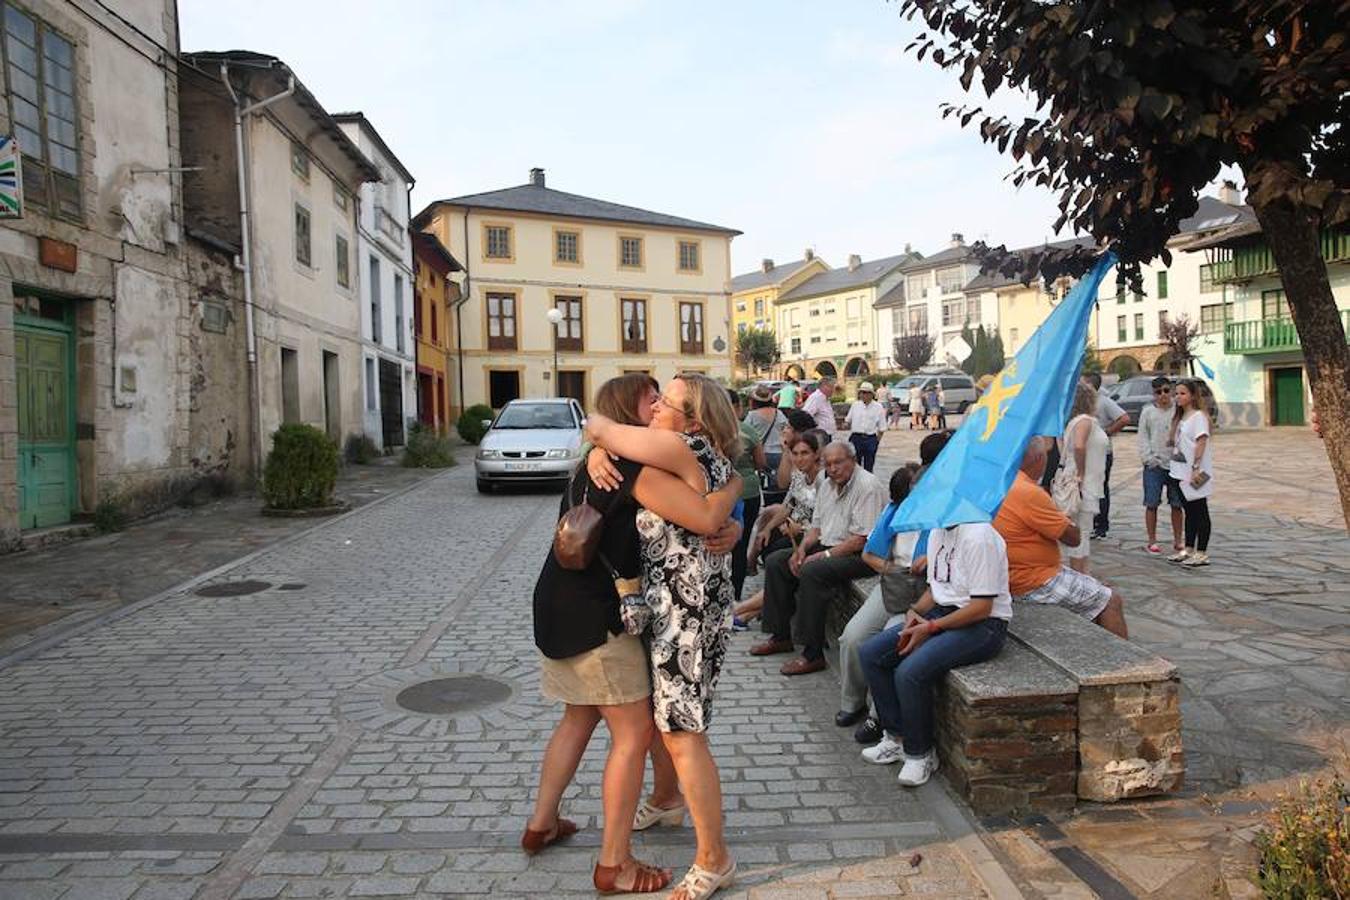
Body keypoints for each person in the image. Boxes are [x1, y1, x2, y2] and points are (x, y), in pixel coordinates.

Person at [528, 374, 742, 895]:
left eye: (665, 400)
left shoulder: (629, 459)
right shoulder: (640, 461)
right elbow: (713, 504)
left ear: (691, 419)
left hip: (615, 610)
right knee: (640, 731)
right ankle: (625, 845)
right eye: (653, 398)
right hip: (620, 612)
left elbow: (708, 508)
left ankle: (552, 828)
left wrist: (598, 438)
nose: (657, 406)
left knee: (621, 724)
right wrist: (734, 494)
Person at [857, 521, 1011, 786]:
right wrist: (914, 612)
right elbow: (936, 589)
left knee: (910, 672)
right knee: (871, 653)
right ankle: (896, 736)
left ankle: (921, 753)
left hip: (983, 626)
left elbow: (982, 607)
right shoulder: (938, 532)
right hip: (942, 613)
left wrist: (931, 627)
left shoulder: (980, 536)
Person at [750, 441, 888, 676]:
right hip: (831, 545)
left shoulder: (867, 486)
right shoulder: (827, 483)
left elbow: (860, 540)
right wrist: (801, 550)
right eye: (829, 464)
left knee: (813, 572)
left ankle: (813, 653)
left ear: (852, 461)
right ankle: (781, 635)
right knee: (777, 562)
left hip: (861, 555)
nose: (833, 469)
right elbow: (816, 527)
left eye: (838, 463)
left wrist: (822, 556)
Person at [993, 438, 1129, 638]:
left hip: (1011, 574)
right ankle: (1128, 664)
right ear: (1039, 458)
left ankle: (1097, 651)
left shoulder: (1003, 483)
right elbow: (1073, 538)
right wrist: (1064, 518)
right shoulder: (1027, 491)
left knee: (1095, 589)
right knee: (1110, 601)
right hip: (1031, 580)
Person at [835, 465, 923, 729]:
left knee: (887, 642)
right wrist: (893, 570)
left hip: (922, 592)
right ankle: (852, 702)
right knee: (852, 636)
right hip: (894, 585)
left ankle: (878, 716)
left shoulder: (937, 521)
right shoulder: (892, 514)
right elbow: (869, 554)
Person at [1058, 383, 1109, 575]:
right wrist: (1081, 472)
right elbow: (1079, 446)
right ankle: (1080, 576)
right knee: (1082, 532)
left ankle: (1083, 575)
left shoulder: (1073, 422)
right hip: (1083, 484)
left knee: (1082, 531)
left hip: (1081, 481)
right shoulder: (1085, 421)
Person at [1168, 379, 1215, 567]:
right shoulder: (1180, 418)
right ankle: (1188, 548)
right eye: (1177, 393)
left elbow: (1201, 441)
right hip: (1178, 472)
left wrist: (1195, 467)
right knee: (1189, 511)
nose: (1178, 397)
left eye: (1183, 393)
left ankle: (1202, 551)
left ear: (1193, 395)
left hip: (1195, 472)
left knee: (1200, 510)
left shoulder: (1198, 417)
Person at [725, 390, 765, 606]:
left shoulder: (709, 429)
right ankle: (736, 594)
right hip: (747, 491)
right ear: (738, 407)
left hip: (719, 494)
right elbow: (760, 462)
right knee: (740, 544)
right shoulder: (748, 430)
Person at [1138, 376, 1184, 555]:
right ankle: (1152, 540)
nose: (1163, 395)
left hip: (1175, 464)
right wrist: (1148, 458)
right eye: (1158, 392)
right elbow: (1142, 436)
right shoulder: (1148, 412)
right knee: (1151, 503)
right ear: (1154, 394)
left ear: (1171, 391)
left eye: (1166, 390)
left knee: (1177, 504)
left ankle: (1178, 540)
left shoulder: (1178, 410)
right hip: (1154, 464)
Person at [1083, 372, 1129, 538]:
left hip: (1102, 452)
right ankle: (1089, 521)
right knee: (1087, 487)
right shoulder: (1083, 404)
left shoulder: (1103, 402)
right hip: (1086, 451)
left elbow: (1124, 418)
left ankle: (1101, 525)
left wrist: (1108, 431)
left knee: (1100, 488)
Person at [743, 385, 787, 482]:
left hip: (762, 454)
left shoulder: (752, 415)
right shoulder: (779, 413)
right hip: (780, 453)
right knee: (778, 481)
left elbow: (745, 433)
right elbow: (786, 431)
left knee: (765, 481)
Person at [844, 381, 886, 472]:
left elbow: (882, 427)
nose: (863, 395)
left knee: (869, 466)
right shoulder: (855, 405)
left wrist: (876, 442)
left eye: (866, 393)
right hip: (856, 438)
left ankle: (867, 484)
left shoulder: (878, 407)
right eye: (862, 392)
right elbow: (848, 420)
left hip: (870, 438)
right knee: (854, 466)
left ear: (871, 394)